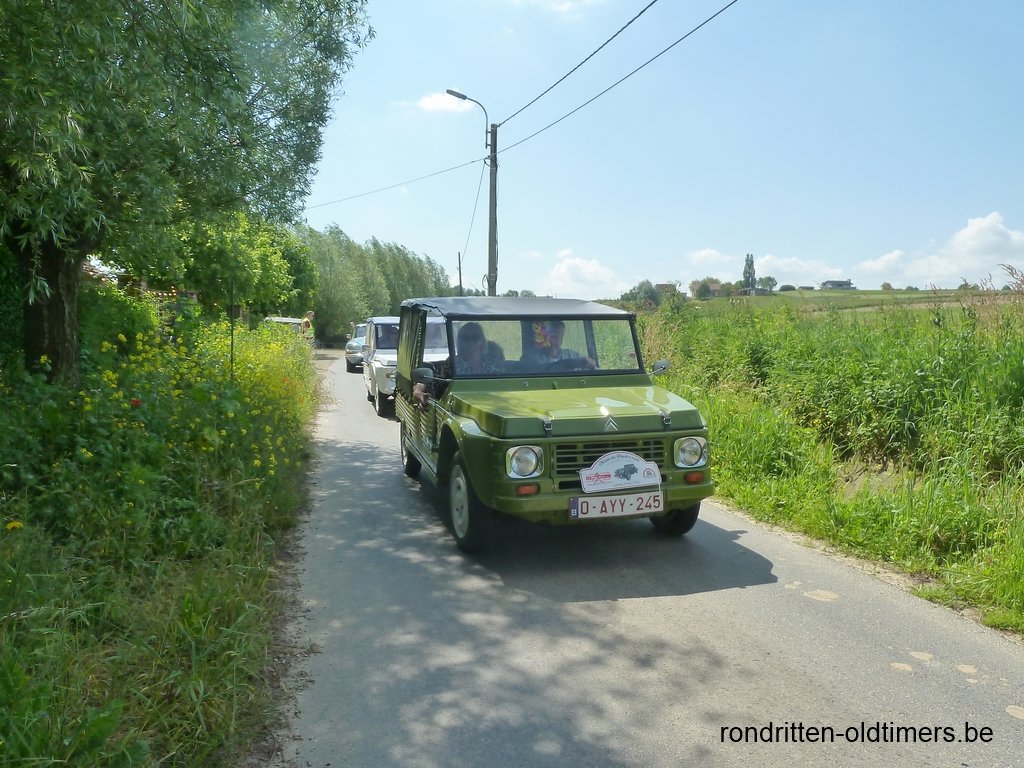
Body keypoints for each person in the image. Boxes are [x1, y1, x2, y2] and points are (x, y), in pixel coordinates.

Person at [521, 319, 595, 370]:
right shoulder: (530, 357)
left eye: (557, 337)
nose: (552, 340)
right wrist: (570, 364)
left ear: (562, 338)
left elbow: (593, 370)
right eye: (551, 336)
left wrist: (590, 363)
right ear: (544, 336)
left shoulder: (573, 355)